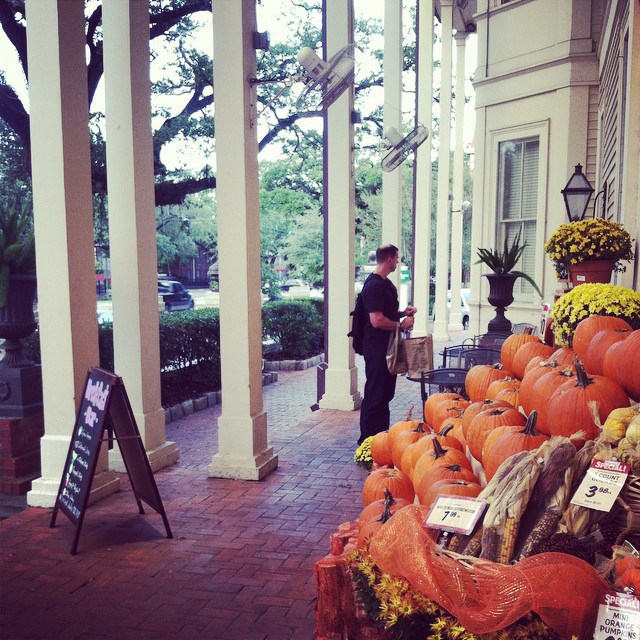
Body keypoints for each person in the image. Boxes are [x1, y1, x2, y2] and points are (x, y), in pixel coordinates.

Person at [358, 244, 416, 444]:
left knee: (384, 394)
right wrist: (401, 325)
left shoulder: (386, 284)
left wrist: (402, 314)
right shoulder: (373, 285)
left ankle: (381, 437)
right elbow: (376, 320)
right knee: (375, 394)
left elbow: (385, 313)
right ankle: (367, 441)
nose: (398, 261)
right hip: (376, 349)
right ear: (389, 259)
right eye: (397, 258)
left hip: (387, 348)